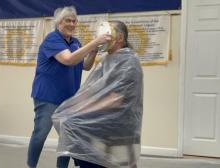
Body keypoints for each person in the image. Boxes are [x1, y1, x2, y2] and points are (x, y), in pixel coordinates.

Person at [27, 6, 111, 168]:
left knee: (67, 139)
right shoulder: (52, 39)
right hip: (47, 97)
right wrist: (94, 42)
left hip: (69, 98)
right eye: (68, 20)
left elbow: (85, 66)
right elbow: (68, 60)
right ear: (59, 23)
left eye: (74, 21)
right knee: (40, 134)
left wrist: (93, 51)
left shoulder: (75, 42)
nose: (72, 24)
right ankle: (30, 165)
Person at [52, 21, 143, 168]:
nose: (101, 38)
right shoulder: (107, 59)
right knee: (65, 119)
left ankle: (91, 163)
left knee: (72, 124)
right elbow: (92, 91)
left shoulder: (128, 62)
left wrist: (84, 110)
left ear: (119, 38)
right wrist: (76, 108)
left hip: (119, 118)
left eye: (106, 35)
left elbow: (116, 99)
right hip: (106, 113)